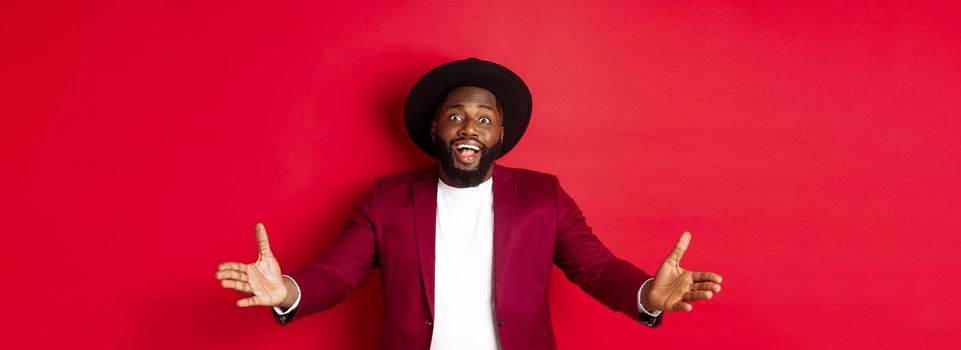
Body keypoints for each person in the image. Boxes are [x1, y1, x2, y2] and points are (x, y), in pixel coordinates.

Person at [215, 58, 724, 350]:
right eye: (456, 116)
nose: (469, 127)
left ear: (501, 133)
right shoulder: (388, 198)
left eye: (484, 119)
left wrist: (646, 296)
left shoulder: (543, 196)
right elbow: (339, 272)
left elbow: (596, 267)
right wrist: (285, 289)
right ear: (435, 128)